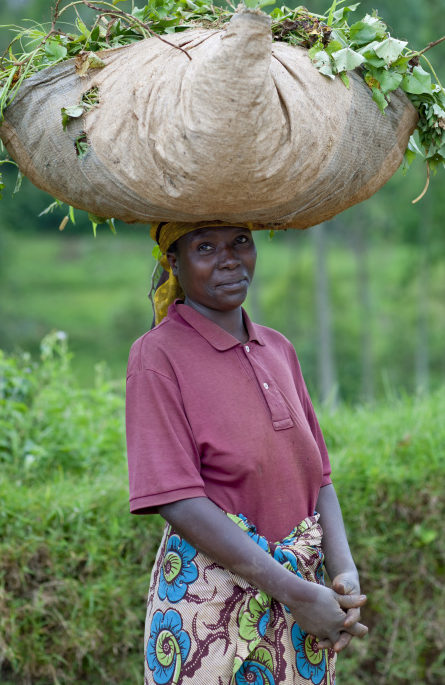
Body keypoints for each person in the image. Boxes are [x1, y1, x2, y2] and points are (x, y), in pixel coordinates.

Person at [125, 221, 368, 685]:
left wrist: (344, 572)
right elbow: (177, 499)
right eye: (205, 247)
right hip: (208, 609)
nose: (229, 258)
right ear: (174, 262)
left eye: (240, 241)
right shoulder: (157, 355)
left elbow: (319, 479)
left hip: (303, 608)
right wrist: (295, 593)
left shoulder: (279, 349)